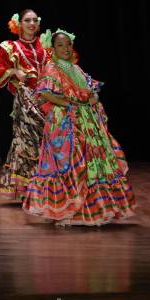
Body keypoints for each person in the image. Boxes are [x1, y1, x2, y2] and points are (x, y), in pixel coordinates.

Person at [22, 29, 135, 226]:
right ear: (53, 48)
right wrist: (69, 105)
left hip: (86, 121)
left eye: (68, 44)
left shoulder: (75, 68)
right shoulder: (51, 68)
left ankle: (90, 208)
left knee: (92, 162)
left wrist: (93, 98)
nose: (65, 48)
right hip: (66, 123)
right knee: (71, 162)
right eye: (60, 45)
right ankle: (68, 209)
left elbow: (90, 90)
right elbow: (46, 94)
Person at [0, 9, 50, 200]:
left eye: (34, 20)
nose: (31, 24)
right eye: (27, 20)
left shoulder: (47, 45)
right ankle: (29, 188)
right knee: (28, 141)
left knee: (48, 140)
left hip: (48, 99)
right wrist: (14, 72)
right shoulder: (11, 47)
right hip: (25, 101)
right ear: (19, 24)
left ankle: (47, 185)